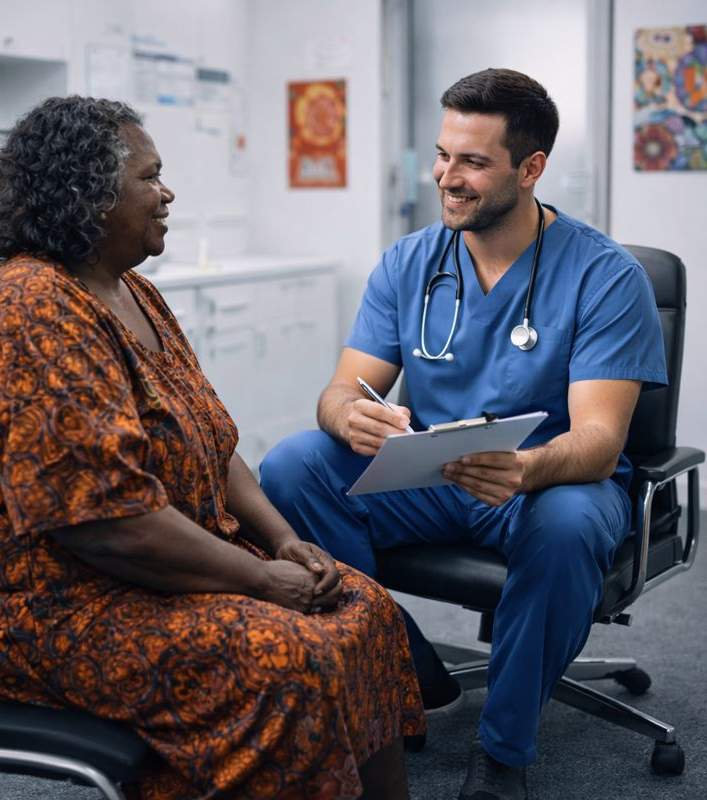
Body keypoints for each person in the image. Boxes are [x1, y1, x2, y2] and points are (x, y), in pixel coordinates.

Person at [0, 96, 424, 800]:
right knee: (282, 657)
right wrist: (261, 581)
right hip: (22, 600)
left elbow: (213, 441)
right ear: (87, 197)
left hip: (130, 566)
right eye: (149, 177)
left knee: (362, 606)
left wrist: (284, 542)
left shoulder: (135, 294)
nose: (167, 191)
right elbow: (107, 525)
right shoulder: (30, 308)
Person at [260, 68, 667, 800]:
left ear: (531, 167)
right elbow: (341, 387)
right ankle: (399, 671)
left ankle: (503, 749)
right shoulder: (410, 261)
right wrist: (344, 412)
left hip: (549, 482)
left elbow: (601, 441)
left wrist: (528, 470)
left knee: (569, 524)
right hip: (432, 477)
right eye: (443, 155)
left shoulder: (606, 275)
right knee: (293, 465)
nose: (448, 177)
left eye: (473, 162)